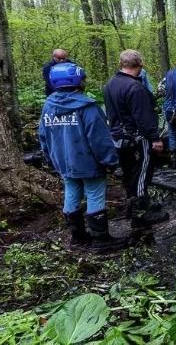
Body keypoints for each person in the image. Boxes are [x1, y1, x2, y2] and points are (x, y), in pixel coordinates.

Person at [39, 62, 127, 252]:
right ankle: (101, 240)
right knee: (94, 194)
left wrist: (50, 158)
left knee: (71, 192)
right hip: (88, 162)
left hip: (63, 162)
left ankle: (78, 237)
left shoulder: (48, 106)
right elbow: (99, 139)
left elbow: (43, 136)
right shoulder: (87, 107)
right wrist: (112, 163)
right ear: (78, 80)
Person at [103, 50, 169, 229]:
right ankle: (140, 213)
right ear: (139, 65)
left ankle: (135, 204)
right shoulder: (135, 88)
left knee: (129, 172)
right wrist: (155, 138)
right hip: (137, 139)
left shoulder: (110, 84)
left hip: (118, 138)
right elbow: (144, 117)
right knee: (142, 173)